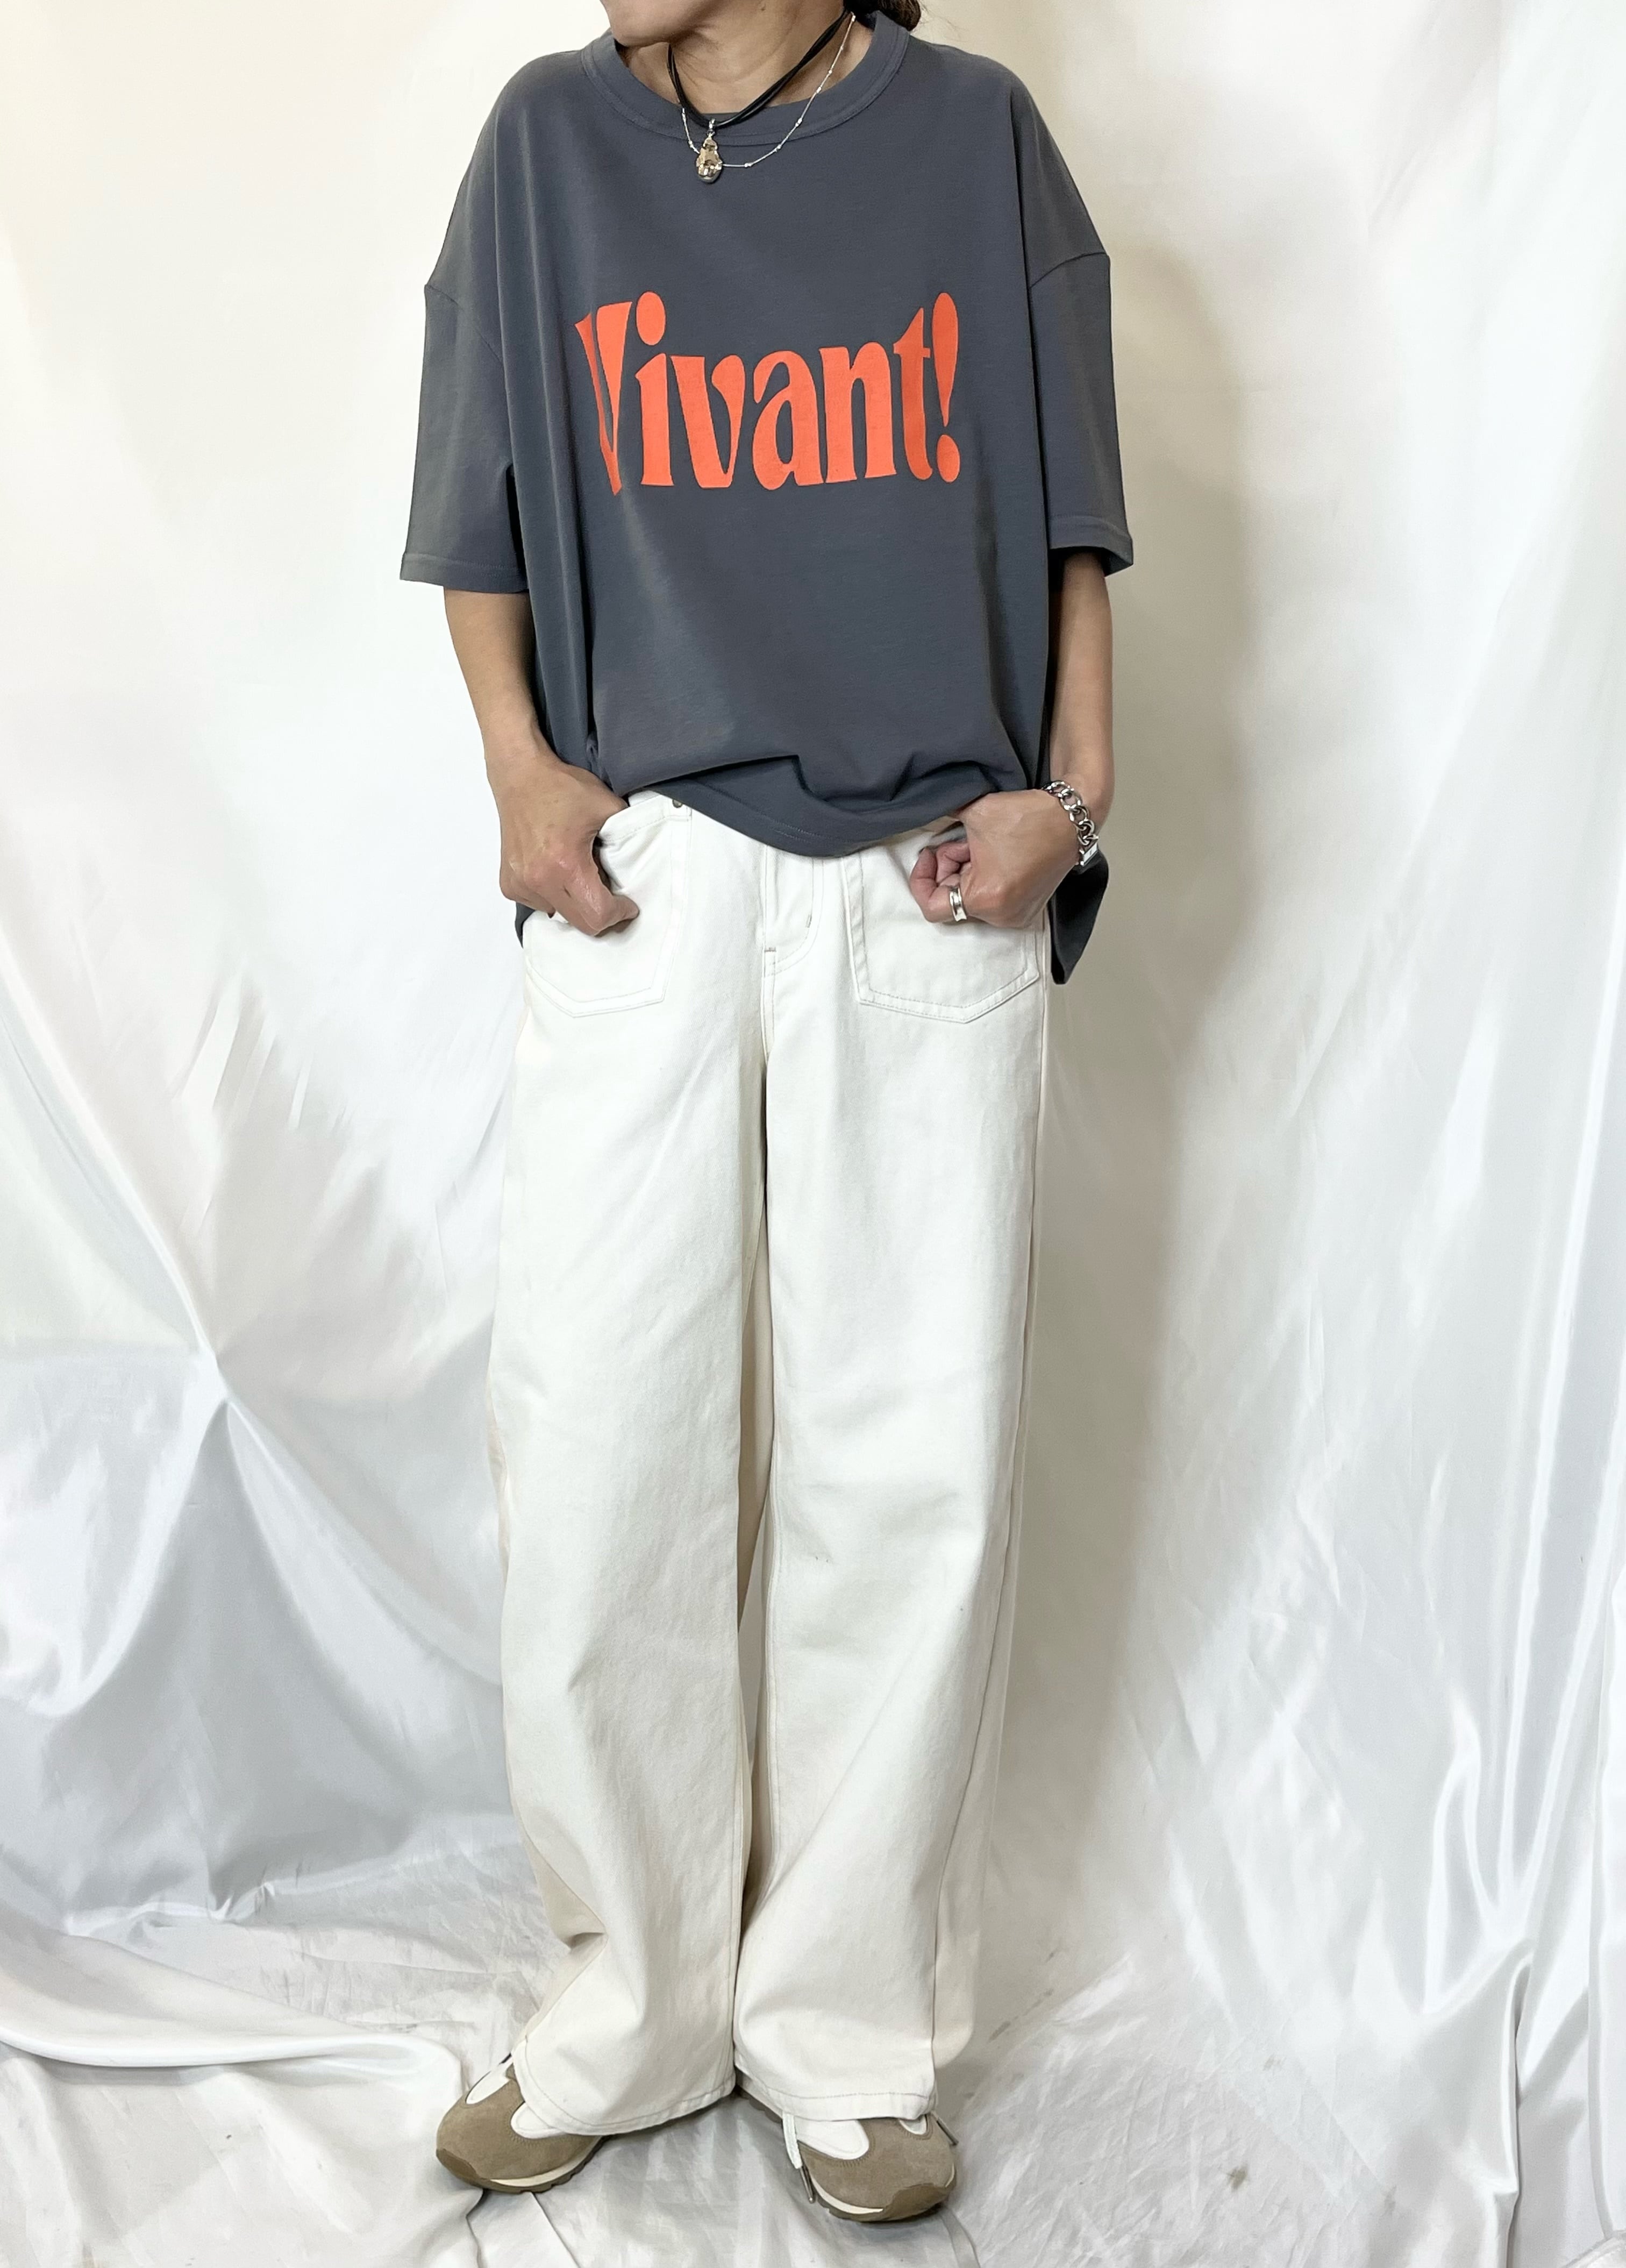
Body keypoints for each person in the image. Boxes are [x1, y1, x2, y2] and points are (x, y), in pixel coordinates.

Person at [400, 0, 1131, 2225]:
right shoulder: (546, 152)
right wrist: (521, 771)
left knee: (905, 1468)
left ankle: (850, 2032)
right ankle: (630, 2008)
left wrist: (1077, 799)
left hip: (927, 874)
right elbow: (479, 499)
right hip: (648, 873)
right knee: (598, 1445)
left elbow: (1076, 525)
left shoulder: (981, 144)